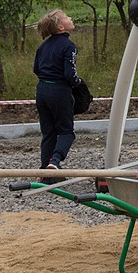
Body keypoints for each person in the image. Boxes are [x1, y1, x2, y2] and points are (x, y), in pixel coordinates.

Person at [33, 9, 82, 174]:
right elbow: (70, 74)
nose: (71, 18)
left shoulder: (43, 46)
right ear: (61, 27)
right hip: (59, 92)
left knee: (48, 132)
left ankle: (45, 173)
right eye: (67, 17)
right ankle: (55, 161)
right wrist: (78, 84)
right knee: (66, 132)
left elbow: (36, 69)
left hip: (41, 91)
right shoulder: (69, 46)